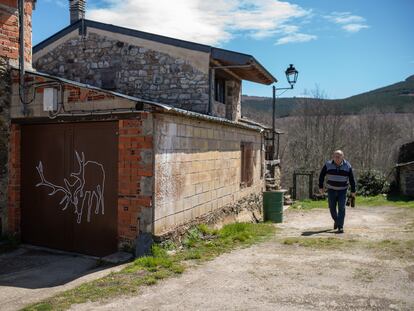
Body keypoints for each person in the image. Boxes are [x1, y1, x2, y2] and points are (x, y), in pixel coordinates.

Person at [318, 150, 356, 233]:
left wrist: (353, 191)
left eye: (339, 156)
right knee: (332, 208)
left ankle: (340, 226)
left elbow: (352, 179)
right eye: (335, 156)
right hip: (331, 189)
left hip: (343, 190)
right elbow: (321, 176)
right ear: (333, 157)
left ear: (343, 157)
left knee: (342, 208)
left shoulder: (347, 166)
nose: (337, 158)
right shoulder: (328, 165)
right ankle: (337, 221)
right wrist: (321, 187)